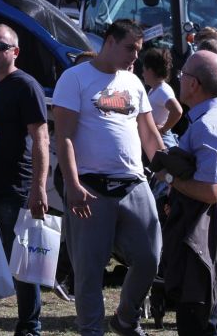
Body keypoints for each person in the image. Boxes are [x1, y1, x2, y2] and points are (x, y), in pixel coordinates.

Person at [53, 18, 165, 336]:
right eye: (130, 48)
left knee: (149, 257)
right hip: (90, 186)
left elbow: (150, 136)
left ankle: (125, 319)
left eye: (139, 50)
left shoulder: (133, 83)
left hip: (134, 182)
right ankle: (91, 330)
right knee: (89, 271)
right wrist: (72, 184)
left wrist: (171, 174)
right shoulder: (74, 78)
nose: (134, 57)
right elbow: (64, 137)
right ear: (110, 41)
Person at [162, 50, 217, 336]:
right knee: (210, 316)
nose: (179, 78)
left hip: (203, 238)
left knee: (197, 320)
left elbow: (210, 191)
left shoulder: (207, 127)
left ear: (194, 84)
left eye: (183, 74)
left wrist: (170, 178)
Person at [0, 24, 49, 336]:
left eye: (1, 46)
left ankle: (29, 327)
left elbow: (41, 138)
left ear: (15, 52)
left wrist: (39, 187)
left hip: (17, 188)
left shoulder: (25, 85)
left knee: (24, 265)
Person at [142, 48, 183, 149]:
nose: (142, 74)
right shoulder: (154, 89)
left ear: (150, 71)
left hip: (162, 139)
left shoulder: (163, 90)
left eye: (144, 71)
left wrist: (163, 129)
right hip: (155, 137)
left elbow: (177, 111)